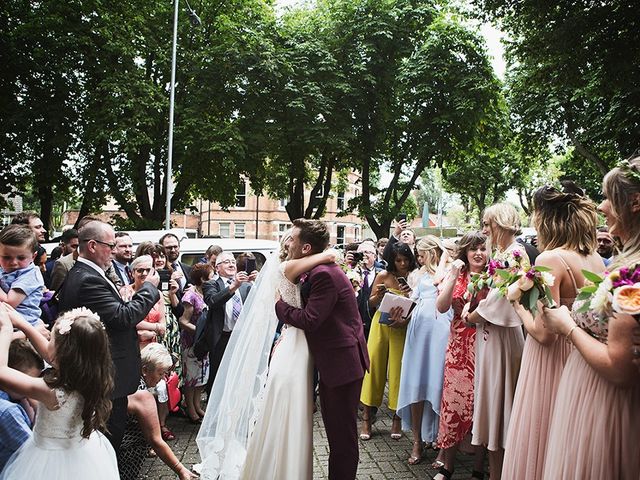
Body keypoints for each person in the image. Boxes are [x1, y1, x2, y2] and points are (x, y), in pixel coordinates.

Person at [541, 158, 640, 479]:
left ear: (634, 203)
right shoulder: (624, 265)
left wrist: (567, 326)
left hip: (606, 404)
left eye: (609, 196)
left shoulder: (632, 277)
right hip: (587, 394)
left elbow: (619, 366)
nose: (602, 206)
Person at [502, 183, 604, 480]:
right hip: (580, 355)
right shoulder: (593, 258)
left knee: (541, 433)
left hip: (549, 361)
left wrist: (516, 304)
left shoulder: (550, 259)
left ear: (545, 218)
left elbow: (543, 334)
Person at [275, 219, 369, 480]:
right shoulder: (318, 269)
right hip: (336, 361)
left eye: (291, 239)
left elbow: (310, 320)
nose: (287, 242)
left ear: (306, 248)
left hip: (342, 365)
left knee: (342, 438)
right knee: (338, 434)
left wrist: (279, 306)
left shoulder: (324, 275)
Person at [57, 220, 160, 452]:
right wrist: (149, 288)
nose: (113, 251)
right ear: (92, 245)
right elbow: (123, 317)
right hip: (105, 376)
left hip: (107, 375)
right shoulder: (87, 279)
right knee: (107, 442)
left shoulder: (88, 273)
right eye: (110, 245)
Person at [0, 305, 118, 479]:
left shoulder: (53, 392)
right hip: (83, 452)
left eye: (52, 340)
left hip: (49, 462)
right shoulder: (92, 374)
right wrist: (24, 324)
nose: (48, 343)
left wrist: (6, 330)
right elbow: (51, 355)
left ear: (64, 353)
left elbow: (2, 371)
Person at [463, 203, 527, 480]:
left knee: (500, 399)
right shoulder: (502, 254)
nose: (485, 230)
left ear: (499, 223)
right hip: (491, 335)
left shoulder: (514, 254)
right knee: (491, 398)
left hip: (502, 335)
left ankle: (499, 473)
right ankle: (495, 470)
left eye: (488, 224)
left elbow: (500, 300)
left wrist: (472, 315)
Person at [434, 232, 488, 480]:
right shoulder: (457, 275)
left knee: (481, 406)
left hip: (486, 346)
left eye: (483, 248)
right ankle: (448, 465)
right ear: (465, 252)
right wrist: (453, 275)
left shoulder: (494, 276)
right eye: (474, 249)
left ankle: (479, 467)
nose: (479, 253)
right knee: (454, 404)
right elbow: (442, 306)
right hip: (458, 348)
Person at [396, 236, 452, 466]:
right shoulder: (417, 275)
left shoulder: (449, 271)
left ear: (432, 252)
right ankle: (417, 440)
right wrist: (400, 314)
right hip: (418, 331)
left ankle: (442, 442)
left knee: (439, 384)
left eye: (421, 254)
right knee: (416, 384)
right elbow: (413, 301)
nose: (418, 258)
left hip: (441, 329)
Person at [360, 242, 417, 442]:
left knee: (398, 373)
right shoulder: (383, 275)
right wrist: (380, 295)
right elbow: (371, 303)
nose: (402, 263)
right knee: (373, 369)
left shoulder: (414, 276)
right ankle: (366, 418)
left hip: (401, 328)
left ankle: (397, 418)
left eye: (405, 259)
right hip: (380, 326)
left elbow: (418, 304)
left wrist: (409, 292)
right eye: (398, 260)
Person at [119, 343, 197, 480]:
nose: (163, 379)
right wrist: (180, 469)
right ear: (145, 370)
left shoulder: (126, 378)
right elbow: (156, 440)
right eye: (160, 373)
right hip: (126, 454)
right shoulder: (142, 395)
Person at [201, 252, 256, 395]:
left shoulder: (246, 286)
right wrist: (233, 286)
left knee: (239, 377)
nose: (231, 264)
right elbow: (212, 301)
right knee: (218, 377)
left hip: (241, 337)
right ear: (217, 268)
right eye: (226, 262)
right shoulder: (211, 284)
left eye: (233, 261)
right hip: (222, 339)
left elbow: (258, 306)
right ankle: (214, 413)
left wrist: (257, 283)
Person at [0, 339, 44, 470]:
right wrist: (38, 409)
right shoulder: (9, 411)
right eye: (28, 380)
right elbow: (34, 454)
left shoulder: (16, 400)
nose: (32, 386)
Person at [178, 263, 211, 423]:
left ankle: (197, 406)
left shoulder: (204, 292)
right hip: (191, 343)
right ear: (202, 278)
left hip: (203, 343)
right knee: (191, 379)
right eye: (211, 276)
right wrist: (200, 332)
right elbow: (183, 321)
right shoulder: (190, 296)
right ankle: (190, 409)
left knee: (200, 378)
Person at [0, 225, 45, 327]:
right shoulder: (4, 269)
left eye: (21, 258)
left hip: (22, 326)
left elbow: (9, 302)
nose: (13, 262)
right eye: (6, 257)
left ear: (33, 257)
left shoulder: (31, 275)